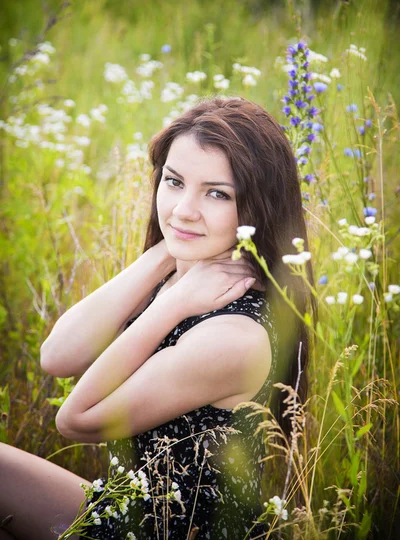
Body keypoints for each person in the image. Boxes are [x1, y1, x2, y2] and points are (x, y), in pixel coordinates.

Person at [0, 96, 315, 540]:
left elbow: (76, 420)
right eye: (173, 182)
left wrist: (172, 303)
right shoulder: (186, 272)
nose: (184, 208)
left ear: (257, 208)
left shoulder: (236, 336)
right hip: (128, 504)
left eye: (217, 193)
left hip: (172, 530)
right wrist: (162, 255)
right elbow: (57, 356)